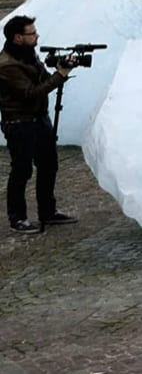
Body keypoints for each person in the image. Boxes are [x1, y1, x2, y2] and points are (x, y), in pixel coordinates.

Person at [1, 14, 75, 233]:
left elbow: (42, 79)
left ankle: (48, 211)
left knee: (49, 165)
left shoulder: (28, 55)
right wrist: (60, 75)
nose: (37, 36)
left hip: (39, 119)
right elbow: (30, 93)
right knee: (22, 170)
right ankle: (18, 218)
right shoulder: (6, 65)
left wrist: (58, 66)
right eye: (31, 33)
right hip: (19, 123)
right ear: (17, 37)